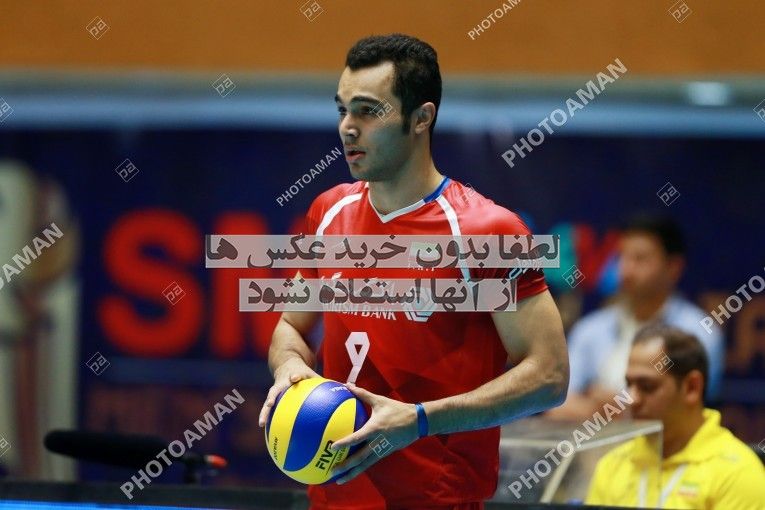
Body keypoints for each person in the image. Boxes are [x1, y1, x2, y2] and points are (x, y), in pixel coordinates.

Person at [257, 33, 569, 509]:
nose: (347, 128)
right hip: (330, 499)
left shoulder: (487, 232)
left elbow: (549, 376)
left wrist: (420, 419)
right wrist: (290, 366)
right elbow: (290, 327)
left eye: (367, 111)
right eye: (342, 110)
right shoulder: (328, 212)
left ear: (421, 118)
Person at [550, 213, 724, 420]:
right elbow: (557, 407)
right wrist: (616, 412)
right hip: (595, 442)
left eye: (640, 259)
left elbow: (685, 412)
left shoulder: (699, 331)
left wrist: (610, 408)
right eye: (621, 257)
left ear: (673, 267)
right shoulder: (590, 329)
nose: (627, 269)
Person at [587, 323, 765, 508]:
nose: (632, 399)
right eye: (629, 385)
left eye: (647, 386)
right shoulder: (611, 465)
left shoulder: (737, 473)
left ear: (692, 387)